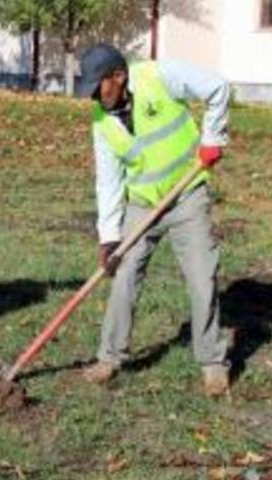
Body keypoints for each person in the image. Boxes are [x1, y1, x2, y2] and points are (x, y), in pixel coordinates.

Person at [76, 43, 231, 396]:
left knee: (201, 277)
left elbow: (218, 87)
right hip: (142, 205)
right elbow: (109, 180)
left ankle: (212, 363)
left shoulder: (159, 76)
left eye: (99, 86)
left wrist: (212, 138)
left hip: (186, 196)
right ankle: (109, 358)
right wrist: (109, 237)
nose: (95, 98)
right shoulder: (101, 121)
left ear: (118, 75)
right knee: (124, 276)